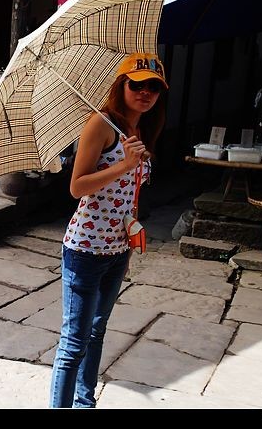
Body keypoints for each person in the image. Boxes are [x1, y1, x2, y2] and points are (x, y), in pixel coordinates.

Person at [50, 52, 168, 408]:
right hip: (85, 249)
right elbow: (77, 186)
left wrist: (128, 246)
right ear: (121, 86)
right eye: (137, 84)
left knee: (97, 332)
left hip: (117, 251)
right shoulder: (100, 124)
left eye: (153, 88)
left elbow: (129, 198)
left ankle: (85, 403)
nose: (145, 93)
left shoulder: (137, 132)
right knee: (74, 342)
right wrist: (125, 164)